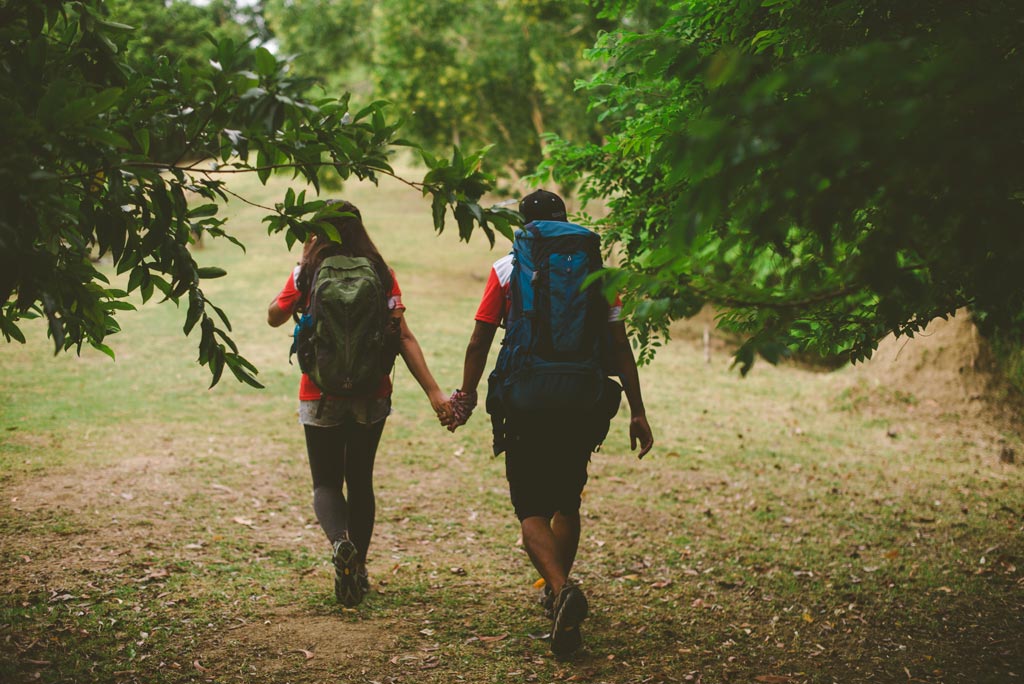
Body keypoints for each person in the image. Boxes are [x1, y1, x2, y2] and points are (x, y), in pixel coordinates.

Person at [447, 189, 654, 657]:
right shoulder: (597, 271)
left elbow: (480, 338)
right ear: (566, 221)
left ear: (526, 226)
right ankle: (558, 599)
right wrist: (638, 411)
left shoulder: (507, 268)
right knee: (567, 502)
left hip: (526, 399)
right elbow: (620, 347)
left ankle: (561, 590)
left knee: (530, 510)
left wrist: (469, 392)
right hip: (582, 398)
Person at [267, 199, 451, 607]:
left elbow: (274, 316)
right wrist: (434, 392)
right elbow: (402, 336)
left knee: (326, 482)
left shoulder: (310, 272)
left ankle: (340, 545)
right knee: (360, 480)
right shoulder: (381, 273)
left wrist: (301, 269)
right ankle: (360, 568)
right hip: (372, 392)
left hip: (320, 392)